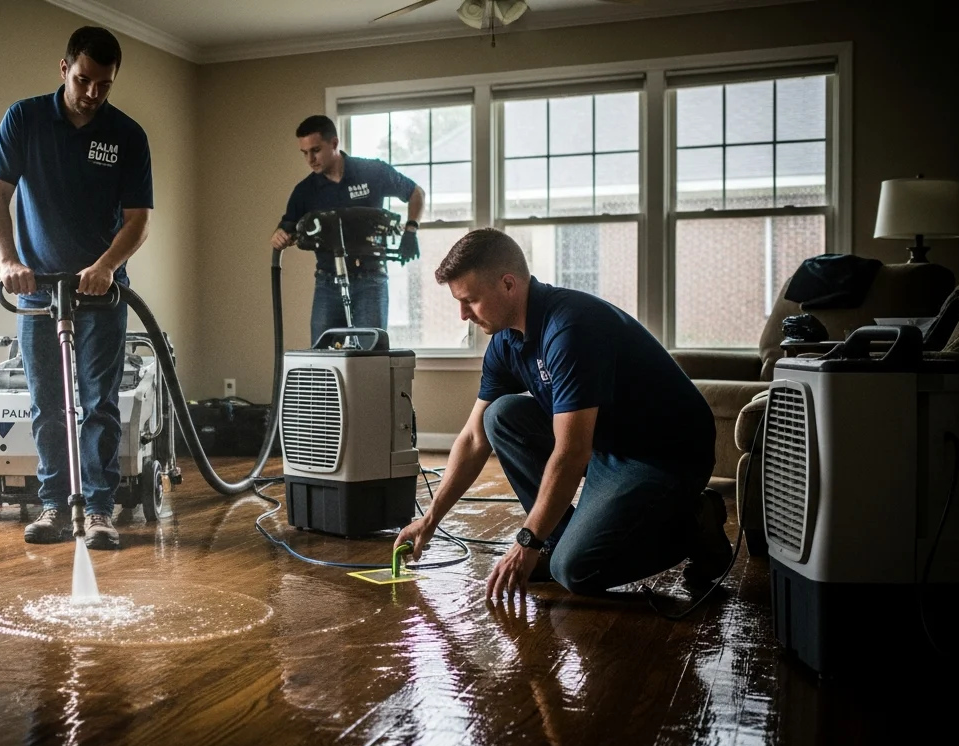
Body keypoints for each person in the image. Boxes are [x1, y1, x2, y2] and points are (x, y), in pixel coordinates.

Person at [395, 229, 732, 601]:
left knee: (574, 570)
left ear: (508, 284)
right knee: (500, 417)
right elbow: (475, 437)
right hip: (607, 444)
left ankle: (696, 524)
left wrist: (526, 540)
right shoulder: (506, 341)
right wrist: (430, 520)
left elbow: (571, 453)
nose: (463, 315)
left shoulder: (570, 328)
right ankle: (554, 542)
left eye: (470, 300)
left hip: (663, 454)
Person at [0, 26, 152, 550]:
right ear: (64, 68)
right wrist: (8, 260)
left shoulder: (127, 135)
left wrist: (104, 265)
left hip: (101, 293)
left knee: (100, 403)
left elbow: (138, 219)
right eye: (84, 79)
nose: (93, 93)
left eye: (104, 83)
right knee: (47, 404)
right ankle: (54, 504)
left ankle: (100, 509)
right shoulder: (25, 119)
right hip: (38, 293)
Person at [270, 115, 426, 344]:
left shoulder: (371, 171)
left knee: (370, 355)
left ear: (334, 143)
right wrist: (279, 236)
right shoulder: (304, 191)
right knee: (322, 357)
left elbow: (416, 193)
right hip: (327, 283)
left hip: (370, 279)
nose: (310, 159)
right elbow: (287, 228)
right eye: (304, 153)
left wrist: (411, 230)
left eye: (315, 150)